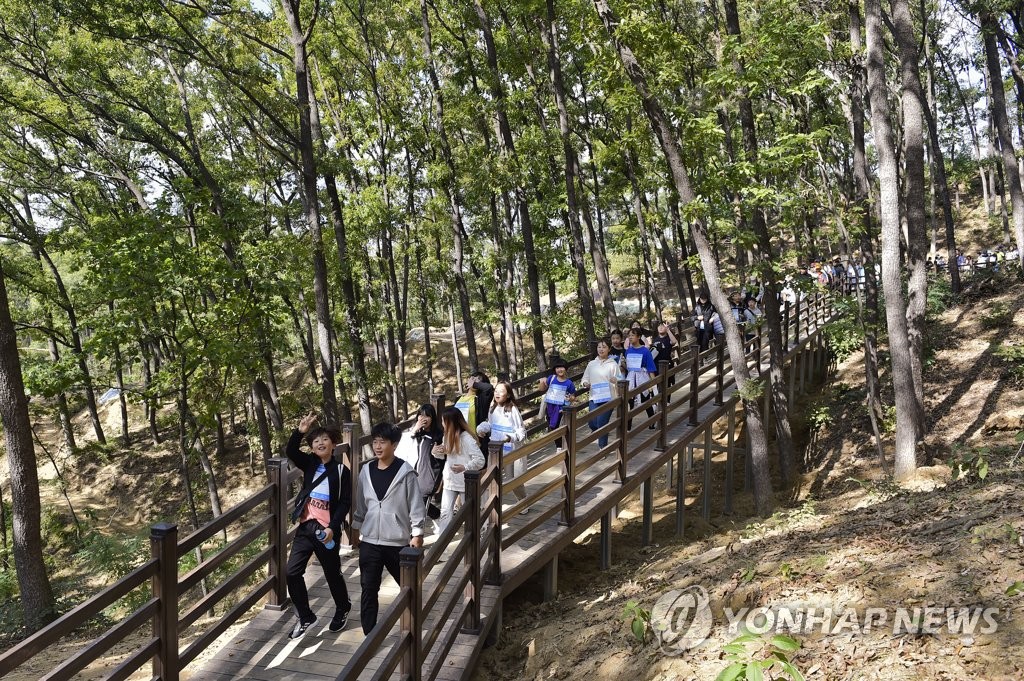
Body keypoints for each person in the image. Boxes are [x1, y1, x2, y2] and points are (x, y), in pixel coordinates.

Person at [352, 422, 425, 635]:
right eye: (375, 441)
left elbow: (416, 506)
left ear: (394, 444)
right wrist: (356, 529)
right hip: (370, 542)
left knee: (408, 586)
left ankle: (412, 624)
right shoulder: (366, 471)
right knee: (368, 588)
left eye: (382, 442)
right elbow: (361, 505)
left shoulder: (405, 472)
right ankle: (369, 634)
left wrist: (417, 533)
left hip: (397, 542)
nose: (377, 446)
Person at [285, 414, 353, 639]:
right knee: (292, 572)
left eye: (325, 439)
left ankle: (343, 607)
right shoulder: (310, 464)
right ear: (312, 448)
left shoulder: (342, 472)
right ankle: (305, 616)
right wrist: (300, 430)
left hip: (327, 530)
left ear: (333, 444)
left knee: (332, 573)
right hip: (306, 526)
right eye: (316, 441)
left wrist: (334, 527)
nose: (320, 443)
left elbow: (345, 503)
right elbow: (291, 452)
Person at [432, 407, 485, 532]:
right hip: (450, 481)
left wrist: (465, 467)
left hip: (465, 483)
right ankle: (442, 542)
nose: (442, 424)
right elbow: (446, 454)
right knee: (445, 512)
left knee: (470, 512)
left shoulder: (466, 439)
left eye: (444, 421)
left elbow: (480, 460)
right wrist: (435, 452)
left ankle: (478, 536)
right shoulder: (447, 436)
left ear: (451, 423)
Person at [479, 381, 528, 511]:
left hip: (510, 452)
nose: (497, 393)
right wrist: (482, 428)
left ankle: (523, 503)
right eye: (496, 390)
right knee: (491, 478)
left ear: (508, 395)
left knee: (514, 481)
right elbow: (490, 424)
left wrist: (509, 438)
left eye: (501, 391)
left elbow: (521, 432)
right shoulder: (493, 408)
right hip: (494, 451)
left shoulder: (513, 410)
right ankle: (490, 506)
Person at [395, 404, 444, 531]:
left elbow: (444, 456)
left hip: (429, 474)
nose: (424, 418)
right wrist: (414, 430)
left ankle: (416, 534)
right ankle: (437, 515)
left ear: (433, 418)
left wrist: (436, 453)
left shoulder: (439, 434)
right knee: (411, 501)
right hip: (413, 472)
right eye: (421, 415)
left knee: (420, 503)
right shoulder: (415, 433)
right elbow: (402, 449)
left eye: (427, 415)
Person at [580, 338, 623, 448]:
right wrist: (585, 384)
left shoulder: (613, 364)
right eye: (599, 347)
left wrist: (616, 380)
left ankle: (602, 448)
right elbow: (585, 378)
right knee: (592, 422)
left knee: (602, 423)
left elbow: (620, 378)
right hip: (594, 397)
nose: (601, 349)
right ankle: (598, 432)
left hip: (608, 398)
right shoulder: (591, 364)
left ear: (609, 349)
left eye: (604, 347)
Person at [624, 327, 658, 427]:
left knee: (646, 400)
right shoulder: (628, 351)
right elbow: (628, 367)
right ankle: (628, 426)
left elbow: (650, 367)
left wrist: (653, 382)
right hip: (631, 377)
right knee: (630, 402)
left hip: (642, 377)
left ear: (638, 337)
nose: (630, 337)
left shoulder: (645, 351)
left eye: (632, 335)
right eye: (629, 335)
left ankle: (652, 422)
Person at [538, 358, 577, 435]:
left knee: (558, 427)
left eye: (562, 367)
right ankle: (558, 446)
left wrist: (570, 399)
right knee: (552, 427)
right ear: (555, 369)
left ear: (565, 369)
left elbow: (573, 397)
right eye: (557, 368)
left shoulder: (569, 383)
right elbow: (541, 389)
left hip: (561, 409)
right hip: (549, 407)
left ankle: (560, 445)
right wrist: (542, 382)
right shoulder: (551, 378)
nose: (559, 370)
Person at [650, 321, 677, 396]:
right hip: (656, 365)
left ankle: (667, 402)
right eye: (659, 326)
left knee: (667, 384)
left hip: (666, 364)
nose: (661, 327)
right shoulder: (655, 339)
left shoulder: (668, 338)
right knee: (656, 384)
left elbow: (674, 342)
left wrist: (668, 330)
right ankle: (656, 402)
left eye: (663, 326)